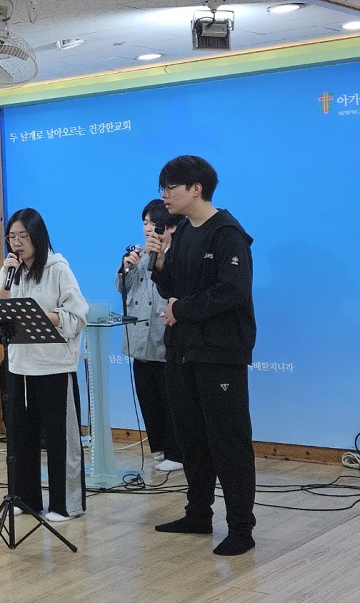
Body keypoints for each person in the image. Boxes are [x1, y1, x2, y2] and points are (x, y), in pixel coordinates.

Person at [148, 155, 256, 556]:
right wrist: (160, 262)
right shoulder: (183, 234)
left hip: (220, 353)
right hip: (183, 351)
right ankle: (198, 514)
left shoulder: (227, 232)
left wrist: (182, 310)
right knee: (191, 438)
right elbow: (171, 290)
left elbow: (233, 292)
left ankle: (241, 528)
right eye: (162, 187)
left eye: (171, 187)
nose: (165, 195)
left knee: (228, 440)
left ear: (196, 188)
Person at [0, 208, 88, 523]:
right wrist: (6, 281)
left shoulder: (58, 268)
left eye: (23, 236)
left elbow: (78, 315)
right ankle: (25, 498)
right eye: (12, 237)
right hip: (19, 366)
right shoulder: (10, 270)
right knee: (21, 438)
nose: (17, 243)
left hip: (54, 367)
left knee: (61, 441)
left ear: (37, 236)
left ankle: (65, 505)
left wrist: (43, 317)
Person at [116, 198, 184, 472]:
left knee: (171, 400)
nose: (148, 229)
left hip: (164, 337)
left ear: (170, 227)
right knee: (148, 397)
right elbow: (122, 287)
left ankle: (177, 452)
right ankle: (160, 447)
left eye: (154, 224)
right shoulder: (140, 254)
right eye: (145, 222)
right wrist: (126, 267)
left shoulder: (179, 253)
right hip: (139, 339)